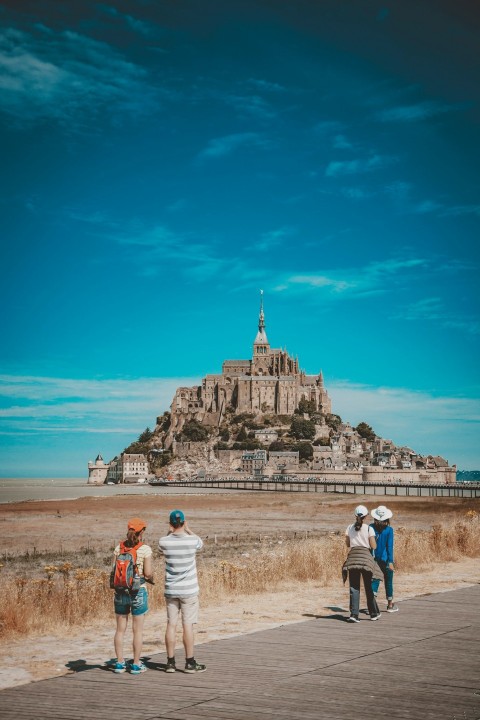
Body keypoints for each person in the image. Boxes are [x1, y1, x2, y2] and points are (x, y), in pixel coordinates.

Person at [158, 509, 206, 673]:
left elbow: (161, 546)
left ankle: (170, 662)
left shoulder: (164, 541)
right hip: (189, 590)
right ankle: (189, 662)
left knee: (171, 624)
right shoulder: (192, 540)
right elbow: (201, 543)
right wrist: (188, 529)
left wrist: (170, 532)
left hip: (171, 590)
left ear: (170, 524)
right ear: (183, 522)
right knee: (188, 626)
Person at [111, 517, 153, 674]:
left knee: (120, 630)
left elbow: (114, 570)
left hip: (120, 591)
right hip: (138, 591)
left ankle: (120, 663)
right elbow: (148, 573)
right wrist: (152, 578)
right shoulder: (145, 549)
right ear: (141, 532)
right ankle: (136, 664)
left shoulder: (118, 548)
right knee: (138, 631)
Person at [342, 505, 381, 623]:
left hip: (353, 558)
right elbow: (374, 546)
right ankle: (374, 613)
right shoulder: (369, 529)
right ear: (366, 516)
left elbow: (348, 544)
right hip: (365, 560)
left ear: (355, 515)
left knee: (354, 587)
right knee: (368, 587)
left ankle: (354, 614)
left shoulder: (349, 528)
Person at [370, 505, 398, 613]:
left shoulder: (371, 527)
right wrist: (390, 561)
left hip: (374, 559)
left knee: (375, 580)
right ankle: (390, 605)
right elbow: (389, 547)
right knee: (388, 581)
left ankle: (372, 604)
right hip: (386, 559)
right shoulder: (389, 530)